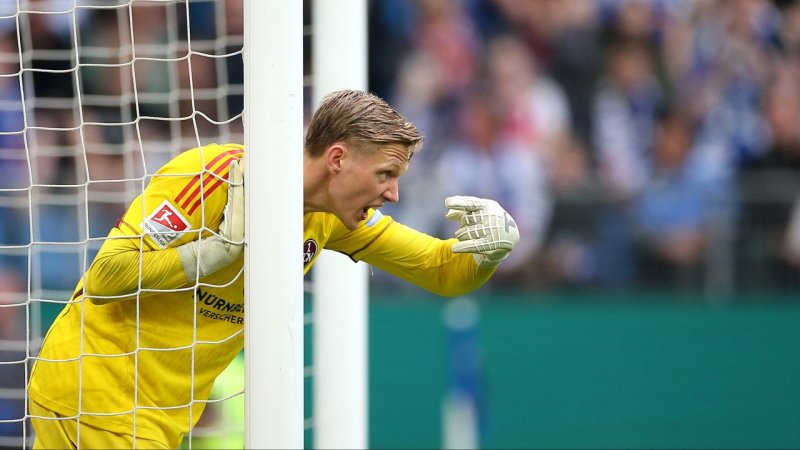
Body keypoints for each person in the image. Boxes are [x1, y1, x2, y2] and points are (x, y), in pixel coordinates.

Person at [27, 89, 519, 449]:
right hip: (95, 392)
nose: (392, 193)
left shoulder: (332, 218)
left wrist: (490, 251)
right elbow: (106, 277)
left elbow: (442, 271)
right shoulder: (215, 176)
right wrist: (214, 253)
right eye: (385, 174)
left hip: (153, 417)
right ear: (338, 158)